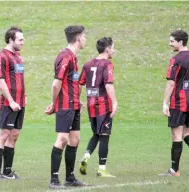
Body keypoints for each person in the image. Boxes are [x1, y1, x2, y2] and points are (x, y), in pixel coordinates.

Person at [159, 30, 189, 177]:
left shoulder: (176, 59)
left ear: (180, 42)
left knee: (176, 135)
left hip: (179, 101)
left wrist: (165, 102)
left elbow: (171, 82)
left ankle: (174, 170)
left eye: (172, 41)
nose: (170, 44)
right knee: (186, 133)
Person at [45, 25, 86, 189]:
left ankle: (70, 178)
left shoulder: (73, 57)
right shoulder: (65, 57)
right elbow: (56, 85)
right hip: (65, 106)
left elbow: (71, 83)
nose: (85, 40)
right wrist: (54, 104)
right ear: (78, 38)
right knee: (62, 139)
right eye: (84, 36)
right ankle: (54, 180)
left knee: (75, 140)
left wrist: (79, 99)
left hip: (74, 105)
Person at [78, 37, 118, 177]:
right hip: (103, 105)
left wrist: (77, 99)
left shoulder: (88, 64)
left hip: (91, 105)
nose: (114, 50)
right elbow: (108, 84)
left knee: (96, 134)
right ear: (107, 49)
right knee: (104, 136)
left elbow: (79, 83)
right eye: (113, 48)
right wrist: (114, 102)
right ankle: (102, 169)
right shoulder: (107, 64)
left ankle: (86, 157)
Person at [0, 27, 26, 180]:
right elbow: (0, 81)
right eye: (20, 39)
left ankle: (7, 171)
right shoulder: (2, 57)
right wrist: (11, 100)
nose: (23, 42)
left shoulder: (18, 57)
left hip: (20, 102)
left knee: (15, 134)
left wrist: (23, 97)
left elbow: (19, 79)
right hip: (8, 103)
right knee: (4, 134)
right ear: (11, 40)